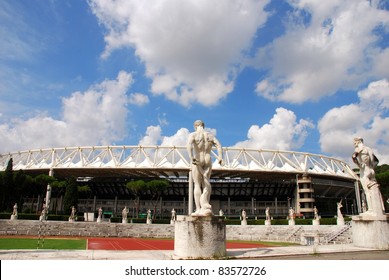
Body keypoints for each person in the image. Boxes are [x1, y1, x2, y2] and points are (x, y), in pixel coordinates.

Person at [187, 120, 223, 216]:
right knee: (206, 182)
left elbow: (189, 145)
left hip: (198, 159)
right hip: (207, 159)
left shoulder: (193, 134)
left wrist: (191, 157)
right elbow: (219, 145)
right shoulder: (210, 135)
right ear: (203, 125)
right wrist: (220, 157)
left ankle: (199, 209)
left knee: (197, 185)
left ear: (195, 126)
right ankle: (206, 206)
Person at [352, 137, 385, 216]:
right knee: (375, 190)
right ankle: (381, 209)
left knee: (367, 191)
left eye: (355, 142)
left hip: (364, 171)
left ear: (358, 141)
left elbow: (354, 157)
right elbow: (376, 161)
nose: (354, 144)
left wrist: (359, 165)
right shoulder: (368, 148)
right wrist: (371, 167)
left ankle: (371, 210)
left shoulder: (359, 148)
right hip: (371, 170)